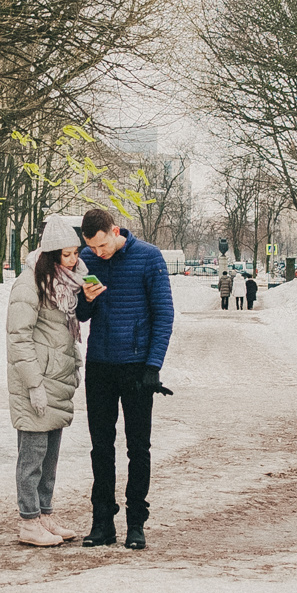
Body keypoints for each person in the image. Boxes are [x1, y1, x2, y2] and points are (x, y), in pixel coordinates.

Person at [76, 206, 174, 550]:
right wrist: (84, 301)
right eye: (92, 247)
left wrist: (153, 367)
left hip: (135, 367)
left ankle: (136, 523)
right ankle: (102, 521)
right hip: (99, 364)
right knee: (101, 448)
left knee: (138, 448)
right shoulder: (87, 259)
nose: (98, 253)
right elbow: (82, 315)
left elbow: (164, 314)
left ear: (115, 232)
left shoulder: (149, 258)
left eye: (103, 245)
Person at [5, 217, 87, 547]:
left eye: (76, 252)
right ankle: (28, 521)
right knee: (32, 458)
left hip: (58, 379)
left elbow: (65, 332)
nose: (75, 260)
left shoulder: (66, 283)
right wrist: (33, 384)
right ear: (52, 255)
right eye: (68, 254)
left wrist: (73, 364)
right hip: (37, 382)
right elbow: (19, 338)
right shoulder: (29, 285)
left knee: (50, 457)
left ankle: (45, 514)